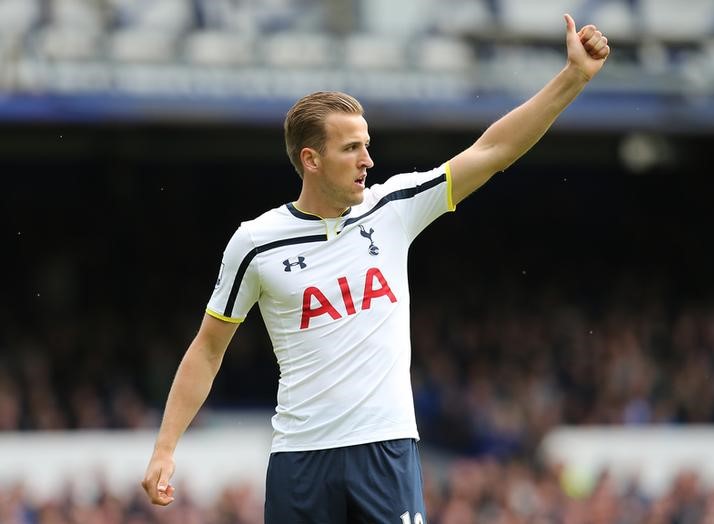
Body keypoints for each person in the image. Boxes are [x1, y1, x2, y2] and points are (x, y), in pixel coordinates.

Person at [142, 14, 610, 522]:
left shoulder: (394, 208)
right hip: (300, 460)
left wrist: (574, 77)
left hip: (385, 451)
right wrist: (165, 448)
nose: (368, 158)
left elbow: (493, 151)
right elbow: (208, 350)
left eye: (367, 143)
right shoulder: (256, 243)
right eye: (351, 148)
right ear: (311, 159)